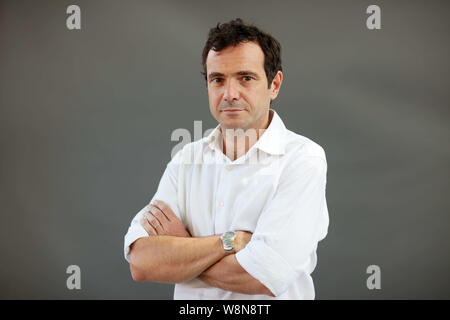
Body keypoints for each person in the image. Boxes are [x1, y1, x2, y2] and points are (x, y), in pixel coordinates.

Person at [123, 18, 329, 300]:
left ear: (275, 84)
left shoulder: (303, 159)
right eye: (217, 79)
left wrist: (182, 251)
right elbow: (141, 262)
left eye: (245, 78)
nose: (229, 94)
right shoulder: (187, 159)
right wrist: (228, 243)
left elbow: (265, 276)